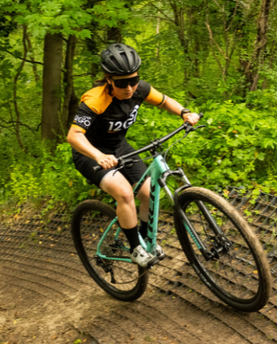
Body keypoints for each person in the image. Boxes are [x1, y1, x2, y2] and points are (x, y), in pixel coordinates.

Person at [66, 43, 199, 267]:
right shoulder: (95, 99)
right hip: (90, 153)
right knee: (125, 193)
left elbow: (165, 101)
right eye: (121, 83)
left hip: (120, 147)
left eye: (133, 80)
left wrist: (184, 112)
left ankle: (146, 239)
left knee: (148, 192)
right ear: (109, 79)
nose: (129, 87)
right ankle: (135, 249)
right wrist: (98, 156)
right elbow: (74, 136)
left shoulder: (139, 89)